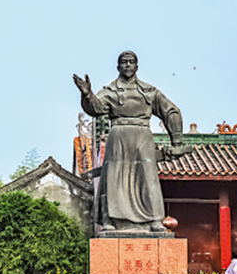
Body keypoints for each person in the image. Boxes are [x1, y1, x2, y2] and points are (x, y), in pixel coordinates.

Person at [73, 51, 187, 235]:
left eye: (131, 62)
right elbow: (96, 108)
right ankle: (112, 221)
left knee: (148, 178)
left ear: (137, 66)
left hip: (143, 137)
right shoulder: (110, 91)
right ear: (118, 67)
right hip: (118, 136)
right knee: (114, 178)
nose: (127, 65)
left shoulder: (149, 92)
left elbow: (171, 111)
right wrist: (87, 95)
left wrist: (177, 141)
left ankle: (154, 220)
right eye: (124, 62)